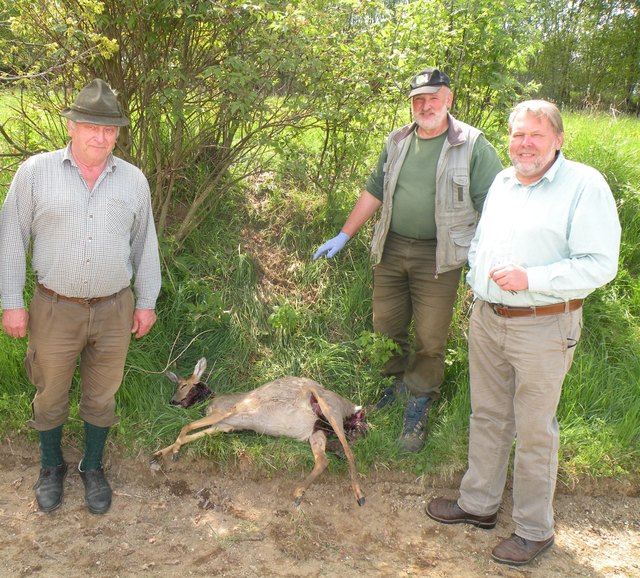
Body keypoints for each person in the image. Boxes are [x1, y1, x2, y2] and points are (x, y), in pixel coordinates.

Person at [426, 100, 621, 565]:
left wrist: (531, 279)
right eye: (518, 135)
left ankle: (535, 530)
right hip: (489, 319)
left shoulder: (584, 185)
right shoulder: (502, 182)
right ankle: (478, 505)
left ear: (558, 138)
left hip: (545, 325)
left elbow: (599, 265)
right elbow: (482, 242)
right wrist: (478, 277)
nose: (525, 143)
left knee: (535, 429)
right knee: (488, 414)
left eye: (535, 134)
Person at [313, 68, 502, 452]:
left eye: (433, 98)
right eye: (418, 99)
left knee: (431, 336)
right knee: (386, 324)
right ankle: (394, 385)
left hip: (441, 255)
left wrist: (490, 255)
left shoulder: (473, 145)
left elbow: (495, 206)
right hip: (393, 247)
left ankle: (419, 400)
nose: (425, 105)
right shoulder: (398, 140)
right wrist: (344, 235)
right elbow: (374, 191)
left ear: (448, 98)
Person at [0, 78, 161, 515]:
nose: (101, 136)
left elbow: (145, 244)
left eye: (110, 129)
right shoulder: (35, 173)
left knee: (102, 393)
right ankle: (51, 466)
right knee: (49, 391)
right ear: (71, 125)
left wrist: (146, 301)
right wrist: (11, 301)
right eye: (91, 126)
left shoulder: (133, 180)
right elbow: (11, 238)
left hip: (114, 309)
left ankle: (92, 466)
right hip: (54, 308)